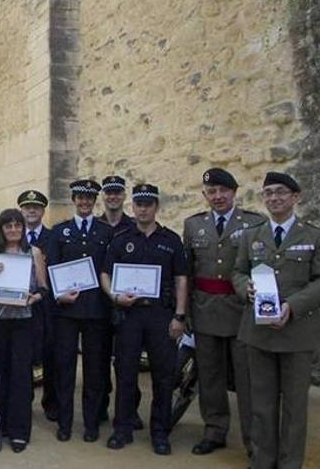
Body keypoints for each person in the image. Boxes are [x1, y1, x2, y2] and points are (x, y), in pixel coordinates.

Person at [232, 172, 320, 469]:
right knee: (261, 404)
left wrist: (292, 306)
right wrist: (244, 286)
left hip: (297, 332)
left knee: (295, 407)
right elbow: (237, 272)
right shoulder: (252, 236)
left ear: (295, 197)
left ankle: (289, 464)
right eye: (268, 193)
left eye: (281, 192)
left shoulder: (316, 236)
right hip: (258, 332)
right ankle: (262, 461)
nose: (274, 198)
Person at [101, 184, 188, 455]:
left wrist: (180, 316)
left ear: (156, 207)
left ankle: (160, 432)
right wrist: (114, 296)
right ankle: (122, 428)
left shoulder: (171, 240)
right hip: (129, 314)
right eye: (139, 204)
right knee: (125, 372)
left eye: (148, 204)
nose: (143, 209)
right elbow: (105, 274)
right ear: (133, 206)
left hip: (161, 315)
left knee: (164, 376)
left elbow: (181, 280)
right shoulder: (121, 238)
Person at [183, 168, 265, 457]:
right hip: (205, 310)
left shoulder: (255, 223)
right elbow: (189, 271)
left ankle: (253, 440)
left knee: (248, 378)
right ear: (205, 195)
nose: (218, 197)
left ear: (234, 192)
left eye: (223, 191)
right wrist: (186, 312)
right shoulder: (194, 226)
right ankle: (215, 430)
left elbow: (263, 267)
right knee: (210, 375)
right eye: (212, 192)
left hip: (242, 310)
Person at [48, 180, 115, 443]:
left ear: (94, 201)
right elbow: (52, 268)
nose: (85, 202)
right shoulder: (59, 232)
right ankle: (65, 423)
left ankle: (91, 423)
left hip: (97, 311)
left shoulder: (105, 232)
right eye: (80, 198)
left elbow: (109, 268)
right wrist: (58, 294)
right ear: (74, 200)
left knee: (95, 370)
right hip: (66, 311)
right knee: (64, 370)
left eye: (89, 198)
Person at [0, 208, 48, 453]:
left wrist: (33, 298)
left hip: (22, 321)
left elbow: (43, 287)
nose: (14, 229)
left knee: (21, 376)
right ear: (2, 229)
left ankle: (19, 431)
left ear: (22, 228)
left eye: (17, 225)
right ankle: (0, 424)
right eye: (8, 226)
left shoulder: (34, 253)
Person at [97, 175, 140, 427]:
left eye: (117, 192)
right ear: (103, 196)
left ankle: (129, 410)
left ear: (124, 196)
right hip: (100, 302)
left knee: (128, 360)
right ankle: (101, 406)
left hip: (128, 302)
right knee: (99, 359)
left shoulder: (134, 226)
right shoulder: (94, 225)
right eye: (109, 192)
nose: (112, 197)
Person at [17, 189, 58, 422]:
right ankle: (24, 402)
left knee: (50, 353)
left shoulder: (54, 238)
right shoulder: (13, 238)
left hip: (48, 306)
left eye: (36, 207)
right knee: (24, 355)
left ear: (43, 210)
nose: (31, 211)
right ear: (21, 210)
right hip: (20, 304)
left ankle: (51, 403)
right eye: (26, 207)